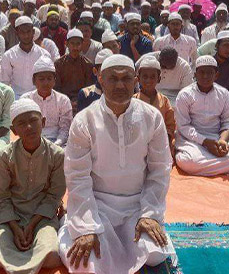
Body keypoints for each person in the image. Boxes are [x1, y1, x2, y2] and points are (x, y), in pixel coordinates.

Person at [58, 54, 176, 273]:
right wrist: (86, 226)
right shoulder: (84, 120)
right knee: (87, 261)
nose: (120, 84)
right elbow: (77, 177)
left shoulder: (152, 117)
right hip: (97, 206)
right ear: (101, 79)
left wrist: (149, 214)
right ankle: (76, 228)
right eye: (113, 78)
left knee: (154, 254)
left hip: (137, 205)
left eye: (126, 78)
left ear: (136, 81)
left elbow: (160, 169)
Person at [0, 98, 65, 273]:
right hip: (10, 215)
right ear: (14, 130)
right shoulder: (4, 156)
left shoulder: (57, 155)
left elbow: (54, 196)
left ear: (43, 122)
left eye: (33, 121)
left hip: (42, 216)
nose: (28, 127)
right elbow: (0, 196)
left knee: (52, 253)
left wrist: (32, 224)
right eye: (21, 123)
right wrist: (14, 226)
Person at [174, 55, 229, 176]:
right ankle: (224, 167)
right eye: (201, 72)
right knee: (189, 162)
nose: (205, 76)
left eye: (210, 73)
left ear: (216, 75)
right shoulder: (185, 95)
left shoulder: (224, 93)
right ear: (195, 74)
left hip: (217, 136)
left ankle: (206, 167)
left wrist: (223, 141)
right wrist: (205, 142)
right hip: (192, 139)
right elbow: (183, 126)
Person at [21, 57, 72, 147]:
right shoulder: (26, 99)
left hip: (58, 143)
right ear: (34, 81)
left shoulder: (63, 100)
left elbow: (65, 129)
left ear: (54, 80)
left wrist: (55, 145)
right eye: (41, 79)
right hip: (31, 142)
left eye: (49, 79)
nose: (45, 83)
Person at [134, 57, 176, 158]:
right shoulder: (132, 101)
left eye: (153, 77)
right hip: (137, 146)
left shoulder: (164, 101)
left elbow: (170, 126)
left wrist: (164, 141)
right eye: (145, 76)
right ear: (138, 78)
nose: (148, 80)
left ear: (159, 79)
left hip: (160, 145)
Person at [0, 16, 51, 98]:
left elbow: (48, 81)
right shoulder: (8, 55)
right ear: (17, 34)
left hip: (39, 97)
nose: (26, 35)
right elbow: (4, 82)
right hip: (16, 97)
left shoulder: (44, 54)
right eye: (22, 32)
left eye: (28, 31)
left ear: (33, 32)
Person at [55, 29, 94, 102]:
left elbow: (89, 89)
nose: (75, 47)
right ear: (66, 44)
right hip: (62, 101)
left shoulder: (88, 64)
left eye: (78, 44)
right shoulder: (59, 64)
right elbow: (57, 89)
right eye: (72, 43)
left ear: (82, 44)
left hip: (83, 101)